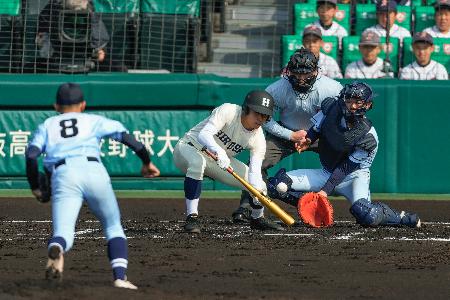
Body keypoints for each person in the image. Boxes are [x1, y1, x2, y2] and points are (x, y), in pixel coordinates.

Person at [25, 83, 160, 289]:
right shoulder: (93, 120)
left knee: (63, 231)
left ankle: (57, 248)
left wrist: (35, 186)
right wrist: (146, 162)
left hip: (64, 174)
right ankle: (120, 277)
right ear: (83, 105)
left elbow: (32, 156)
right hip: (94, 170)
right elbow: (130, 140)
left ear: (56, 106)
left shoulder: (48, 125)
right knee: (113, 226)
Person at [266, 81, 421, 228]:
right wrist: (309, 139)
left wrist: (324, 191)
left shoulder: (368, 136)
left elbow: (346, 167)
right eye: (349, 100)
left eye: (357, 102)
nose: (352, 106)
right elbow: (317, 128)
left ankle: (400, 217)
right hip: (326, 172)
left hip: (353, 177)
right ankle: (313, 206)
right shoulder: (331, 108)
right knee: (277, 185)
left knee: (366, 214)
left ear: (367, 105)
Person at [233, 48, 343, 223]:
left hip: (321, 134)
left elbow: (339, 118)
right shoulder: (277, 89)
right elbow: (265, 119)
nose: (301, 79)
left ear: (316, 71)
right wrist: (290, 135)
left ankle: (359, 201)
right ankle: (248, 206)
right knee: (255, 163)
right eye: (297, 74)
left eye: (306, 74)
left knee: (347, 162)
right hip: (286, 134)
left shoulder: (331, 88)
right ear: (288, 71)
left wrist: (313, 135)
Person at [173, 90, 284, 233]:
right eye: (257, 113)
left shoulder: (258, 138)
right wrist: (219, 152)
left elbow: (255, 171)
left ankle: (257, 218)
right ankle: (192, 217)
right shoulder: (229, 111)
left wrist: (256, 191)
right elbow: (204, 134)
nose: (260, 119)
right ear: (246, 109)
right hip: (190, 147)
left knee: (260, 185)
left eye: (265, 116)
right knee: (197, 163)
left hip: (218, 160)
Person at [36, 0, 111, 73]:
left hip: (84, 54)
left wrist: (98, 50)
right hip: (58, 53)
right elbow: (43, 33)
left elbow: (100, 51)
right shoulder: (53, 7)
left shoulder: (91, 13)